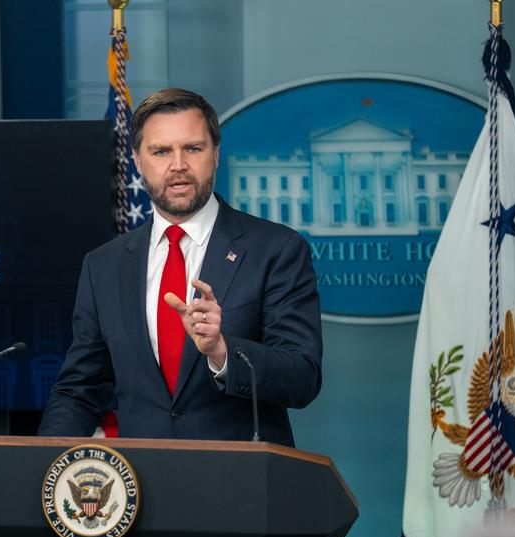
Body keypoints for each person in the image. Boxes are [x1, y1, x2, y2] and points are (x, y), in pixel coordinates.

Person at [37, 88, 322, 447]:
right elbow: (80, 390)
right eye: (161, 151)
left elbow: (302, 378)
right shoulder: (103, 266)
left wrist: (221, 350)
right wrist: (43, 463)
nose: (178, 165)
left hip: (243, 485)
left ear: (216, 154)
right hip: (140, 486)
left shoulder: (276, 249)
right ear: (138, 161)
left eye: (193, 148)